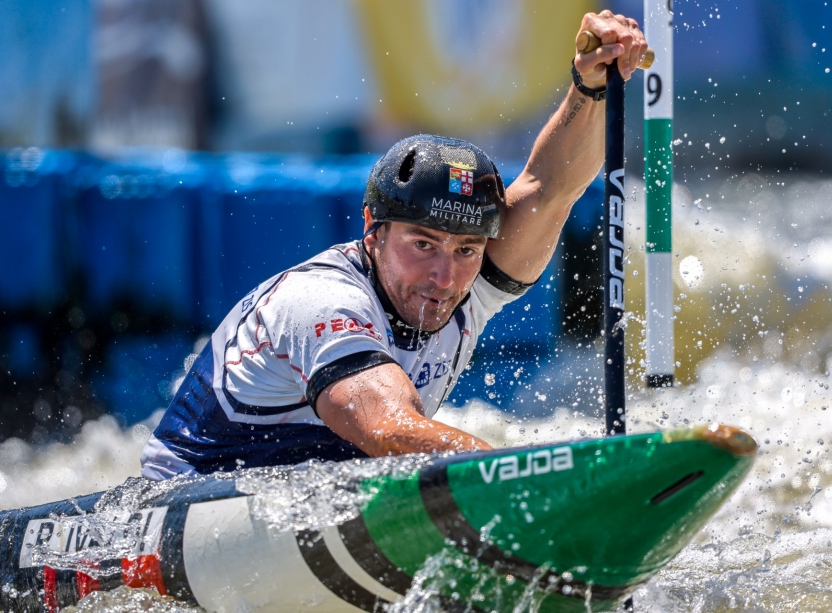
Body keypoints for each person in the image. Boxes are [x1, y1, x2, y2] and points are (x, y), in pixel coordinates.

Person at [140, 11, 649, 480]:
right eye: (423, 244)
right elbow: (388, 429)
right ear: (373, 228)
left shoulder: (465, 287)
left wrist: (592, 84)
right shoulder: (321, 302)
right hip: (182, 503)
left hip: (300, 501)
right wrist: (543, 484)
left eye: (467, 250)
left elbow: (550, 187)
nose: (444, 277)